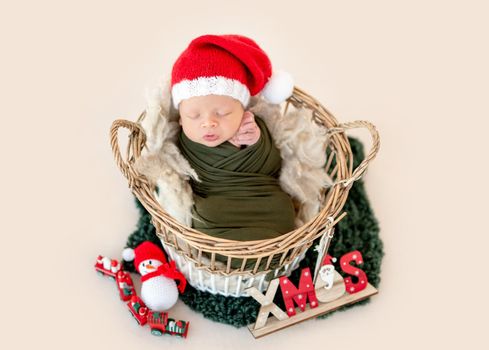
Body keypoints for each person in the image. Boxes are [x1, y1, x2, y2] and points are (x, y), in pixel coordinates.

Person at [170, 34, 296, 242]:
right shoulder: (182, 142)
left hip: (263, 198)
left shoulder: (253, 128)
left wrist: (256, 144)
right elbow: (182, 175)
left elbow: (274, 168)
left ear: (243, 109)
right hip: (216, 201)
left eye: (222, 113)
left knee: (283, 207)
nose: (208, 123)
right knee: (206, 212)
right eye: (194, 115)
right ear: (181, 119)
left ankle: (269, 249)